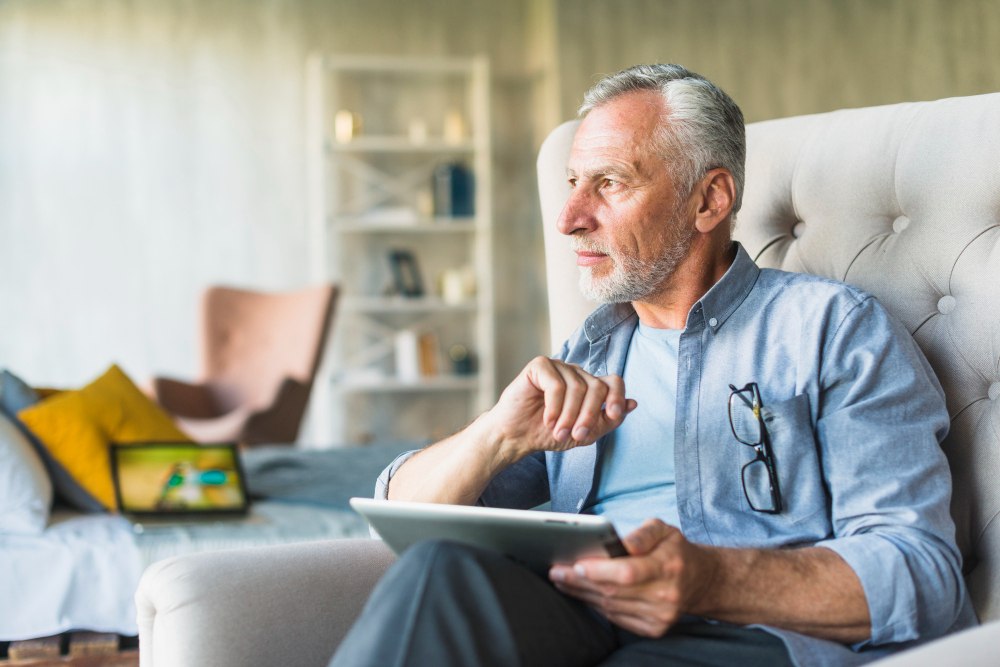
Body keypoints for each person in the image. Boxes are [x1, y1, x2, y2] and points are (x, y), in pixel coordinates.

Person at [329, 64, 976, 667]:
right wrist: (497, 434)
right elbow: (401, 514)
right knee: (440, 569)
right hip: (581, 612)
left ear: (709, 200)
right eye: (573, 183)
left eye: (609, 183)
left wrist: (711, 580)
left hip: (746, 635)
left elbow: (923, 573)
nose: (570, 218)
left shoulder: (832, 331)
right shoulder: (589, 349)